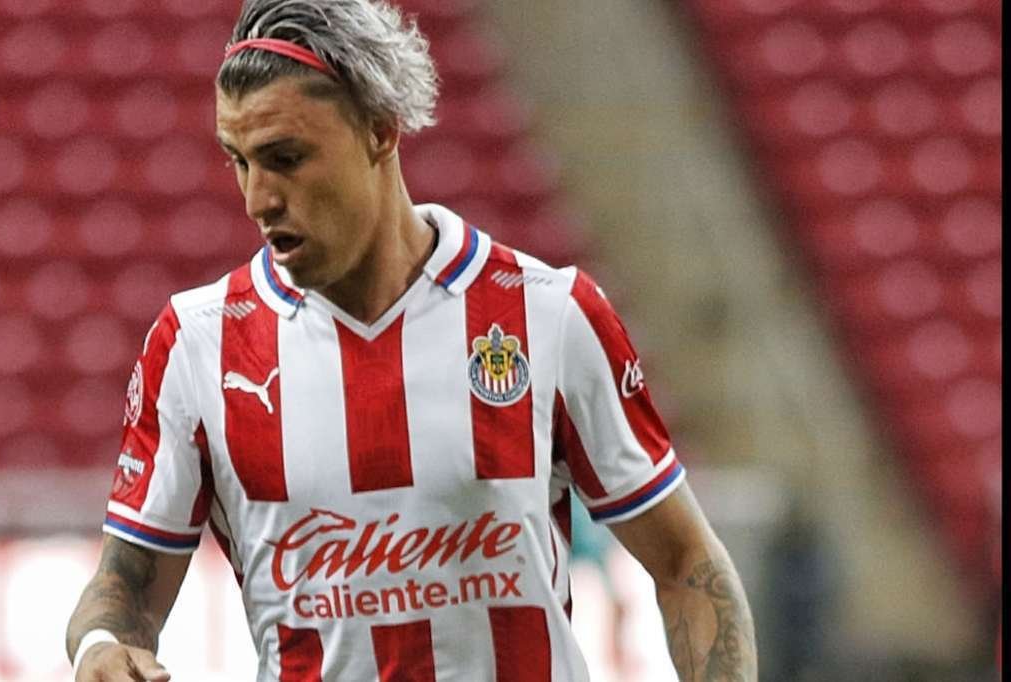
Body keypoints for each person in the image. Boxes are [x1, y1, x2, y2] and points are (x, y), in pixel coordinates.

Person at [65, 1, 757, 680]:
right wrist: (101, 645)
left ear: (380, 130)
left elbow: (685, 565)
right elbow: (125, 587)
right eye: (239, 162)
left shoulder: (547, 314)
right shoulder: (197, 344)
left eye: (285, 158)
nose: (258, 199)